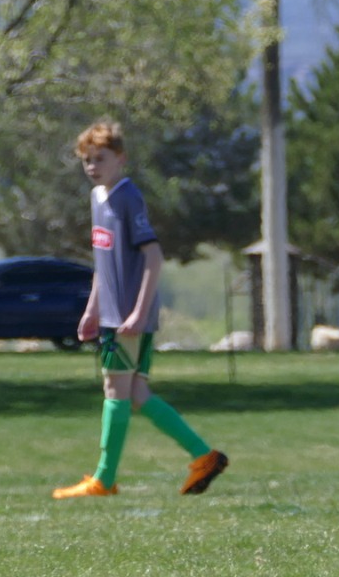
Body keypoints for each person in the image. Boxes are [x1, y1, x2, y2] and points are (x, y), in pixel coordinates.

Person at [52, 120, 228, 499]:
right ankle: (205, 456)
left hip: (127, 317)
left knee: (114, 390)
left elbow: (153, 257)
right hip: (113, 313)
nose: (92, 166)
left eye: (100, 158)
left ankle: (104, 480)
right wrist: (91, 309)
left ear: (121, 159)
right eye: (87, 160)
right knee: (137, 394)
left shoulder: (127, 198)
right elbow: (103, 262)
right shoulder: (98, 198)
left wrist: (137, 313)